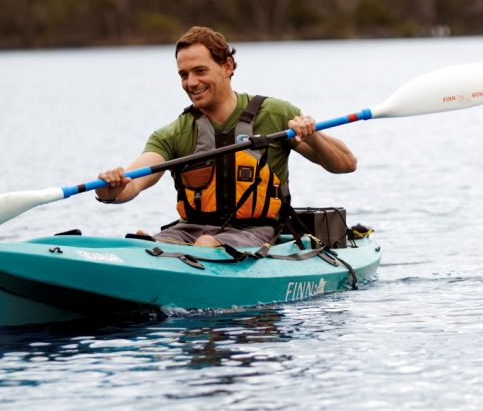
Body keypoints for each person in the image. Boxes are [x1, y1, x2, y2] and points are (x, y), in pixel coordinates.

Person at [94, 26, 357, 247]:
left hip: (258, 232)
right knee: (143, 244)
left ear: (227, 66)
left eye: (200, 71)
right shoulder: (175, 132)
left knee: (207, 244)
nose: (191, 82)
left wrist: (313, 137)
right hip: (189, 231)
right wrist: (110, 188)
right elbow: (132, 183)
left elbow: (346, 164)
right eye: (183, 75)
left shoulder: (276, 114)